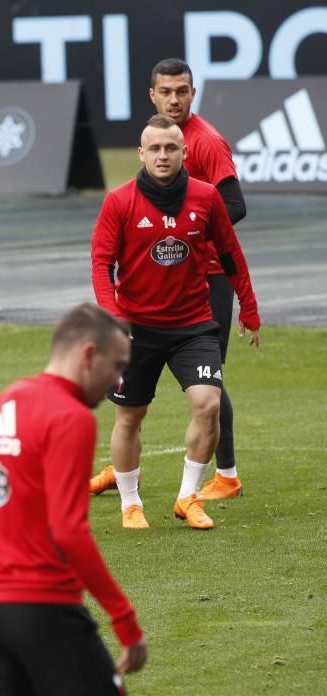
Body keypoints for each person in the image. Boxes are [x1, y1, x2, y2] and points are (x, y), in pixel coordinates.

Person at [0, 303, 148, 696]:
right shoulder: (72, 417)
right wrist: (125, 621)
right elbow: (68, 530)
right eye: (117, 366)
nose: (118, 381)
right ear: (88, 355)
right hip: (45, 609)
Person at [90, 114, 260, 530]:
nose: (163, 156)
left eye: (171, 148)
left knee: (209, 406)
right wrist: (113, 319)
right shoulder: (120, 201)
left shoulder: (206, 198)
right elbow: (101, 264)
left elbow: (230, 255)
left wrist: (250, 309)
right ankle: (131, 503)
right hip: (136, 329)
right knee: (131, 417)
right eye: (155, 149)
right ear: (141, 153)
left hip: (193, 325)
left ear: (184, 152)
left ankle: (188, 497)